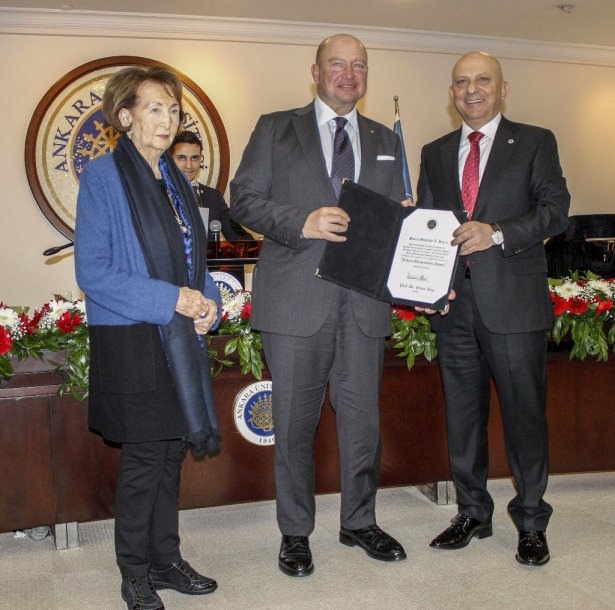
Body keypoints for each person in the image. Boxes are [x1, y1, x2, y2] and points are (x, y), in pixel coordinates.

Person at [230, 33, 408, 577]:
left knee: (363, 425)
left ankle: (359, 522)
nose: (348, 74)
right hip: (294, 304)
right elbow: (243, 199)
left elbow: (396, 218)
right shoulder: (275, 127)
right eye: (337, 64)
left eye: (359, 66)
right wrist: (301, 222)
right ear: (315, 71)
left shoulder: (386, 139)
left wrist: (406, 225)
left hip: (363, 304)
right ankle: (295, 533)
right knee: (293, 426)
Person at [75, 67, 222, 610]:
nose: (167, 120)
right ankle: (134, 573)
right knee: (143, 462)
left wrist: (207, 302)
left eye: (174, 110)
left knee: (168, 456)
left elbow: (194, 261)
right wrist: (175, 300)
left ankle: (165, 560)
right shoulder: (103, 177)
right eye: (155, 108)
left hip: (178, 340)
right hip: (132, 338)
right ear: (125, 116)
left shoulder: (178, 182)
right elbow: (94, 272)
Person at [417, 51, 570, 566]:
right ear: (452, 93)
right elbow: (430, 227)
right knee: (463, 418)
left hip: (514, 306)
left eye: (483, 80)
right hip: (454, 309)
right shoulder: (435, 152)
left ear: (503, 89)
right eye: (462, 82)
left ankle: (532, 520)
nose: (472, 89)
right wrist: (426, 279)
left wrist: (497, 232)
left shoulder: (535, 141)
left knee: (525, 418)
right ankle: (472, 512)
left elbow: (555, 211)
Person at [170, 130, 253, 241]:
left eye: (194, 158)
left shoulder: (213, 197)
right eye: (181, 157)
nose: (189, 165)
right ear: (170, 159)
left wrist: (257, 246)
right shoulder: (158, 194)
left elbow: (236, 235)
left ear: (201, 159)